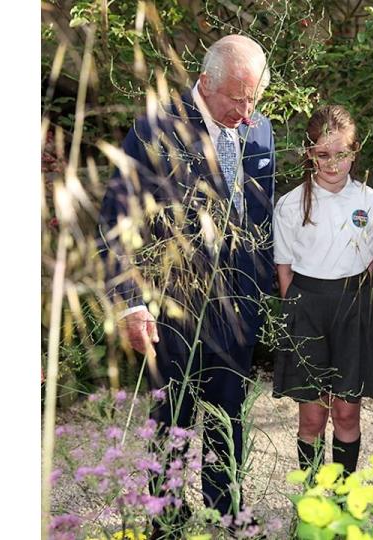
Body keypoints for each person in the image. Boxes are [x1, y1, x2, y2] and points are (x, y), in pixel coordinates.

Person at [98, 35, 275, 526]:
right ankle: (167, 520)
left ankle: (227, 512)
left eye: (253, 98)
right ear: (204, 82)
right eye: (236, 98)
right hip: (172, 305)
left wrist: (258, 294)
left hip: (238, 305)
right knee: (172, 418)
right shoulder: (156, 129)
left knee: (228, 416)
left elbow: (259, 218)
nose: (245, 111)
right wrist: (132, 304)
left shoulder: (260, 131)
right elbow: (117, 219)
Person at [271, 105, 373, 476]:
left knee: (347, 413)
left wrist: (353, 299)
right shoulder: (290, 205)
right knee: (312, 417)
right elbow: (285, 272)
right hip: (307, 310)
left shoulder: (370, 201)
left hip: (353, 307)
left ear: (354, 152)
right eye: (323, 154)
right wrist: (301, 314)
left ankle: (343, 498)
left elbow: (372, 262)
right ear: (309, 153)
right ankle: (312, 503)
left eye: (341, 154)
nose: (333, 163)